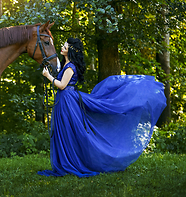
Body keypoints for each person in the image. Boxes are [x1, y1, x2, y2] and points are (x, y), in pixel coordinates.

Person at [38, 38, 166, 177]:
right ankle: (65, 162)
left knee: (68, 131)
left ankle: (71, 163)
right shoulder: (66, 65)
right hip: (64, 100)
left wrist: (48, 76)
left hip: (67, 101)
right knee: (64, 130)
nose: (62, 47)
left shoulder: (70, 67)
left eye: (65, 46)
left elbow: (62, 85)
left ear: (71, 50)